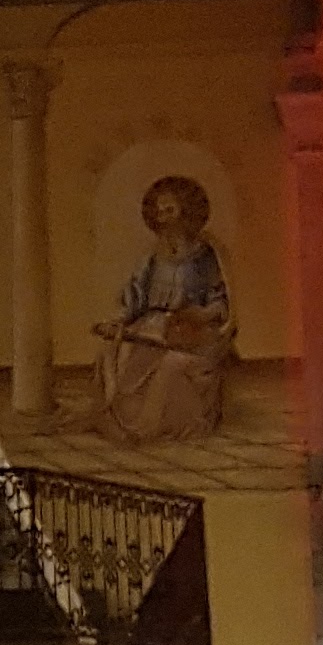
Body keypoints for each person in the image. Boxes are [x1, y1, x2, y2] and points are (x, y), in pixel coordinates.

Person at [96, 173, 234, 445]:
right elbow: (134, 298)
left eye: (170, 210)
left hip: (191, 334)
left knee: (171, 366)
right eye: (159, 213)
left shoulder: (205, 256)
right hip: (149, 329)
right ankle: (122, 421)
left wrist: (197, 316)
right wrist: (119, 321)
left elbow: (220, 304)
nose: (164, 219)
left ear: (186, 211)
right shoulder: (152, 257)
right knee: (116, 354)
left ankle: (147, 429)